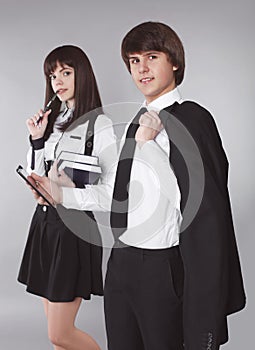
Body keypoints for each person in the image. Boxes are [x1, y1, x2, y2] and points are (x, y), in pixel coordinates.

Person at [104, 21, 246, 350]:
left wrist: (148, 146)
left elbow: (199, 207)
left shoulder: (193, 119)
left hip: (162, 270)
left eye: (151, 57)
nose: (141, 68)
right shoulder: (135, 124)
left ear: (174, 62)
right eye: (134, 60)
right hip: (121, 264)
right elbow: (124, 200)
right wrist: (61, 192)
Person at [17, 45, 117, 350]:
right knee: (59, 339)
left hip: (74, 230)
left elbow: (110, 196)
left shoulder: (100, 125)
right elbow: (38, 176)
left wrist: (62, 195)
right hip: (45, 226)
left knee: (60, 333)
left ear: (81, 75)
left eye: (66, 72)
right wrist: (37, 140)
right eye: (52, 74)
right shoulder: (53, 122)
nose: (57, 80)